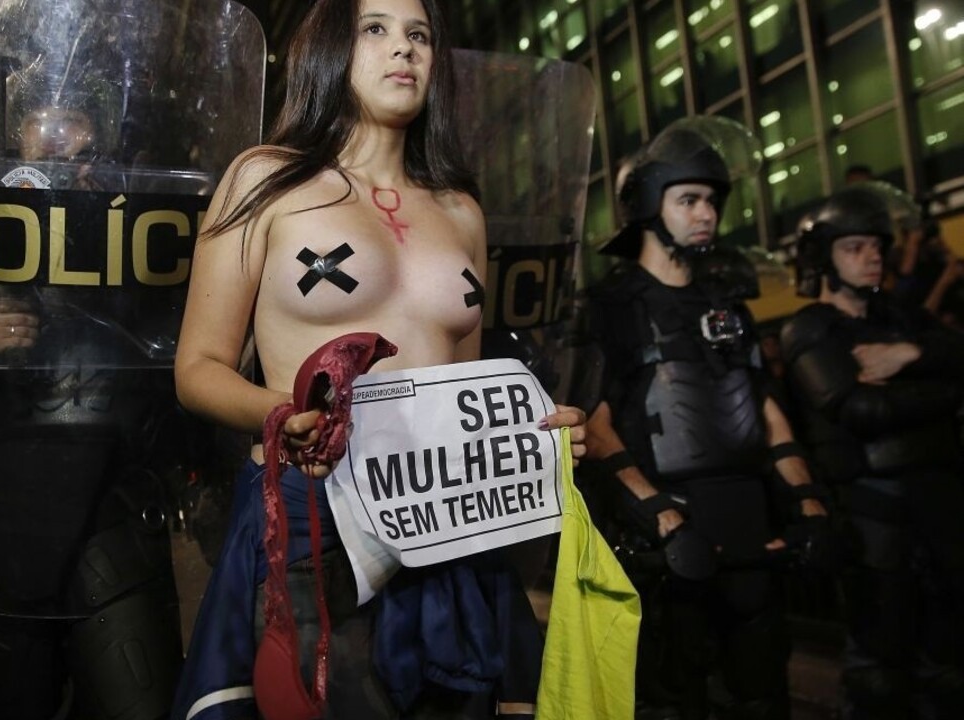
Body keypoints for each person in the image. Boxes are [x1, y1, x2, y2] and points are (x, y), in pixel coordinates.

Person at [170, 1, 586, 718]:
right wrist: (282, 414)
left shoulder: (462, 210)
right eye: (376, 29)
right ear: (331, 49)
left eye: (419, 34)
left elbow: (464, 392)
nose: (404, 49)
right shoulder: (266, 179)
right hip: (315, 515)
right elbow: (198, 367)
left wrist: (535, 437)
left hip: (448, 522)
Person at [582, 118, 827, 720]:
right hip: (667, 537)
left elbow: (765, 406)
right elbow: (594, 424)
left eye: (713, 201)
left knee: (763, 694)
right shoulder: (612, 305)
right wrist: (660, 518)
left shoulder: (727, 301)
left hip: (749, 526)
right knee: (675, 698)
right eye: (689, 199)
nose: (707, 214)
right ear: (648, 203)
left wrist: (808, 503)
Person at [779, 185, 964, 719]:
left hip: (937, 498)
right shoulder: (809, 328)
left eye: (877, 246)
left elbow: (957, 354)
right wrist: (944, 390)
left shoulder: (904, 321)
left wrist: (908, 355)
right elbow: (860, 410)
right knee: (879, 671)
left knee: (948, 663)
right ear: (825, 257)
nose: (872, 256)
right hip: (870, 508)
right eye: (854, 247)